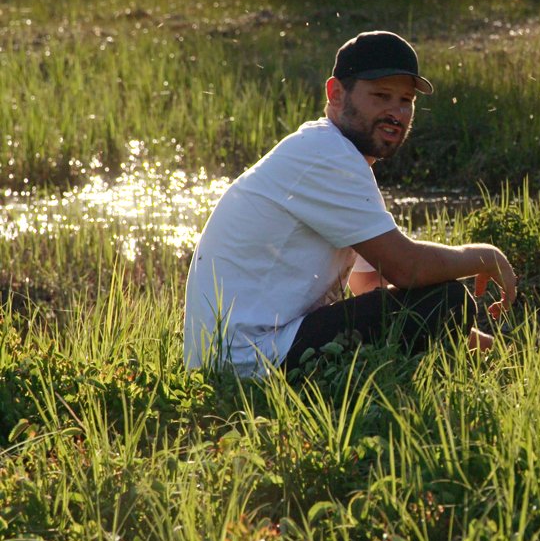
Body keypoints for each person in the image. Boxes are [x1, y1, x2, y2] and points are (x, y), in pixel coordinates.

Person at [184, 31, 516, 377]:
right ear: (336, 94)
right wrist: (483, 255)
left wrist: (486, 346)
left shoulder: (330, 151)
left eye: (406, 100)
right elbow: (405, 267)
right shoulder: (326, 155)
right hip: (246, 362)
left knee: (436, 302)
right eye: (381, 96)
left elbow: (368, 284)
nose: (396, 113)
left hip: (236, 356)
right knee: (448, 300)